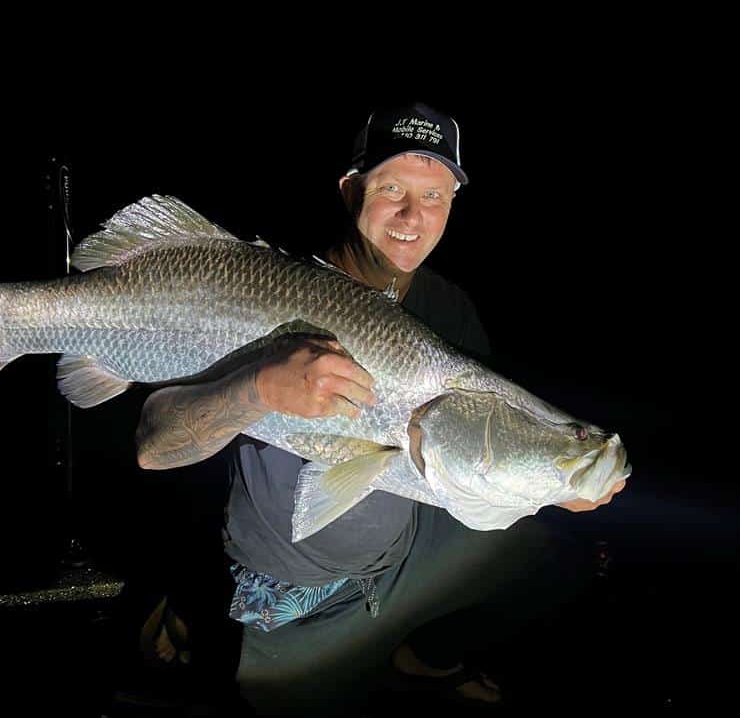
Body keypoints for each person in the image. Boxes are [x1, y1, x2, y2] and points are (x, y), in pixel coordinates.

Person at [133, 102, 626, 714]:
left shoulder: (449, 309)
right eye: (391, 189)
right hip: (291, 583)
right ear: (351, 191)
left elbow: (467, 448)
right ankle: (194, 614)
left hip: (402, 551)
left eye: (434, 196)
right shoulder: (269, 288)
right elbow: (155, 447)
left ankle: (425, 660)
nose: (411, 217)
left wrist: (552, 480)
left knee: (563, 557)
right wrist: (255, 388)